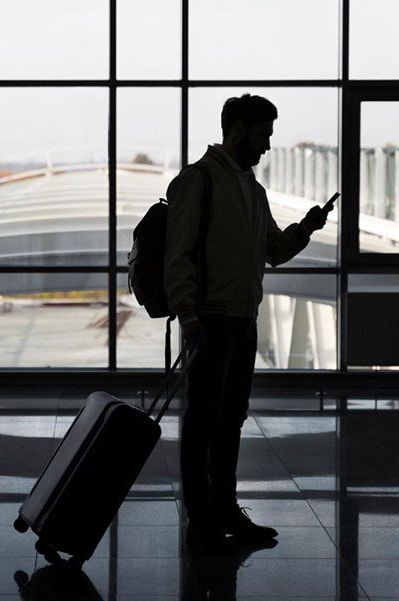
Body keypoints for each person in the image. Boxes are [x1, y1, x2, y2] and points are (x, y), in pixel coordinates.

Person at [164, 94, 331, 554]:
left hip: (242, 320)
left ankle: (222, 508)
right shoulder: (198, 181)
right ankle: (204, 515)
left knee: (229, 420)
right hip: (210, 320)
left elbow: (273, 252)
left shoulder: (252, 191)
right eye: (262, 135)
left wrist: (307, 228)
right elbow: (177, 256)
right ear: (237, 130)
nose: (267, 146)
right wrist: (188, 313)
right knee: (203, 422)